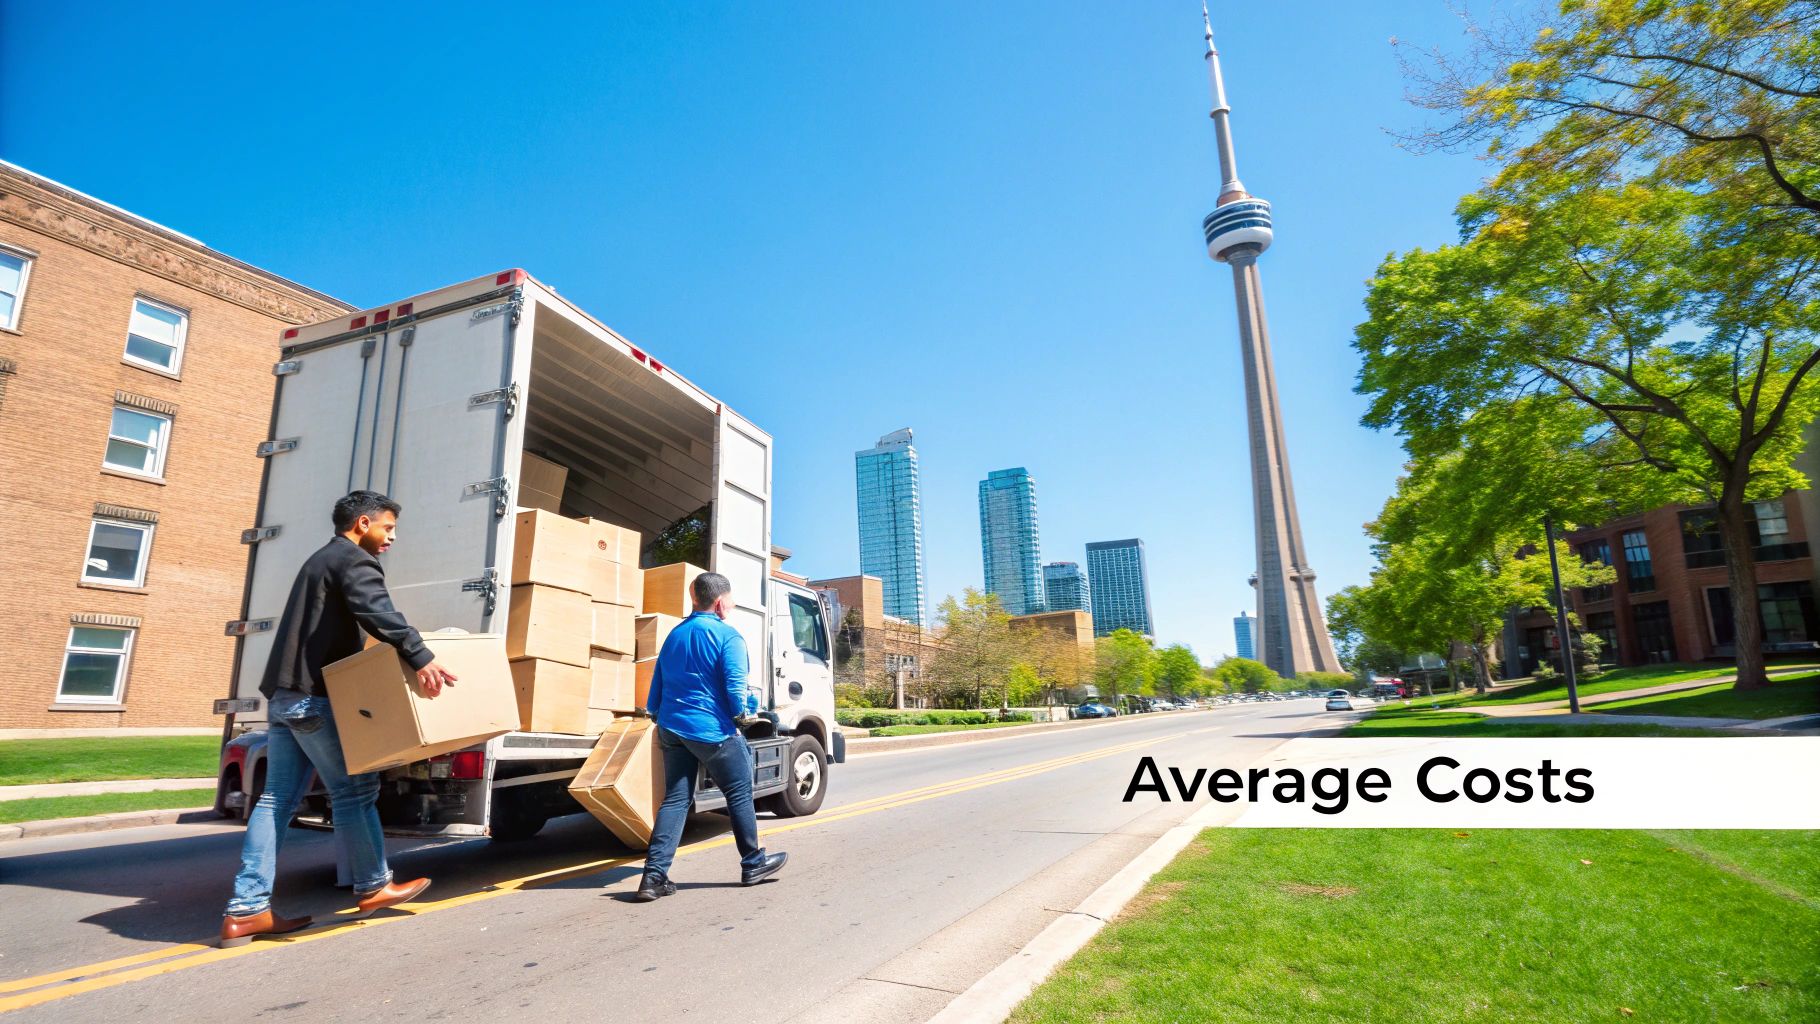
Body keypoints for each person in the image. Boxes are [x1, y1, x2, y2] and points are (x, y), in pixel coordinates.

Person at [220, 490, 459, 946]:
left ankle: (246, 910)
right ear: (363, 524)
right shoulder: (352, 561)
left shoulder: (319, 560)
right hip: (312, 700)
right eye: (388, 527)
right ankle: (373, 885)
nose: (393, 536)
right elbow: (378, 613)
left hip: (286, 696)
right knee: (355, 789)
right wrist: (421, 656)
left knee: (275, 802)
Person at [634, 571, 787, 901]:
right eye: (729, 600)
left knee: (676, 798)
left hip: (672, 728)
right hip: (710, 729)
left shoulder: (674, 634)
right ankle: (752, 862)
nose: (730, 606)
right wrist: (742, 716)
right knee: (739, 788)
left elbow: (656, 688)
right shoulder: (728, 636)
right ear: (719, 602)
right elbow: (736, 687)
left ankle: (652, 877)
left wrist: (661, 716)